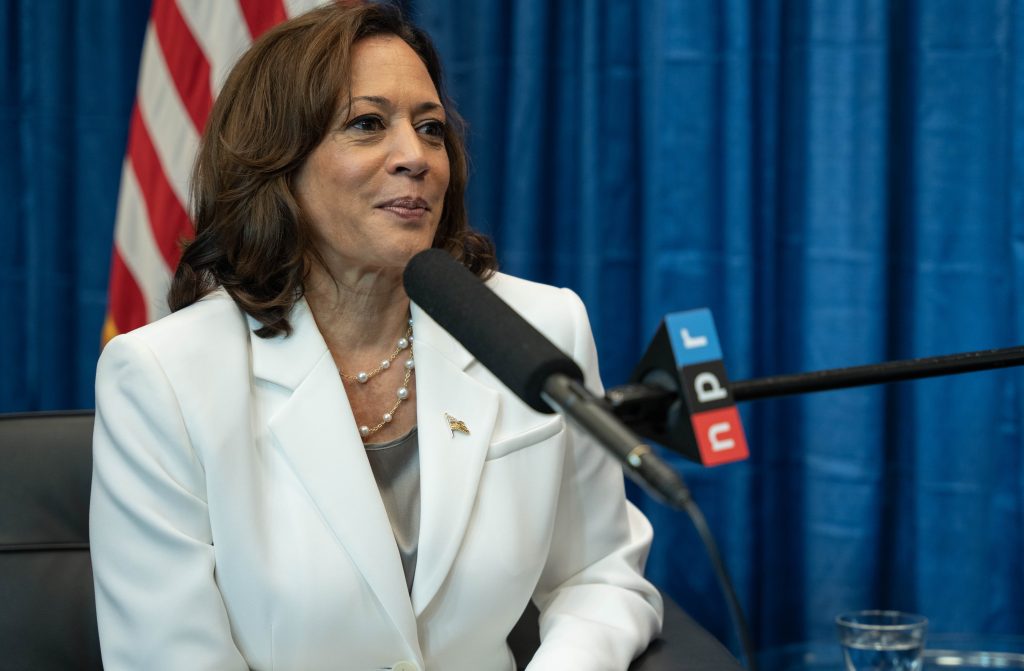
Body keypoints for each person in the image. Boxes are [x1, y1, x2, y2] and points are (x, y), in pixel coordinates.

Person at [90, 4, 662, 670]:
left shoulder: (538, 328)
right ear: (279, 160)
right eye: (367, 124)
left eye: (431, 128)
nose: (416, 157)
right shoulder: (162, 376)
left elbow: (598, 572)